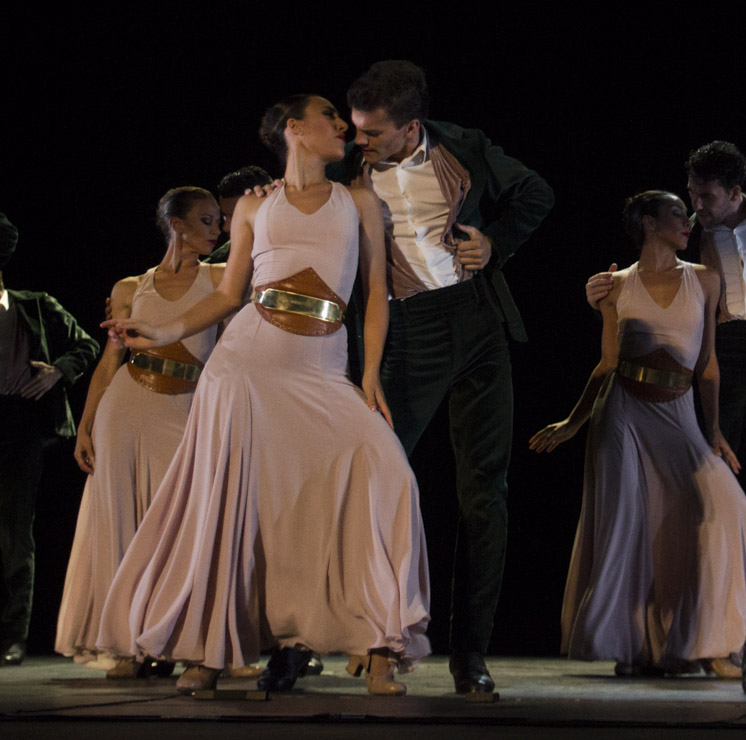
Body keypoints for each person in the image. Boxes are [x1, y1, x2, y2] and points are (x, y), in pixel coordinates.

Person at [97, 94, 430, 696]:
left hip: (322, 368)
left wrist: (371, 374)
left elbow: (376, 292)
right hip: (245, 365)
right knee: (232, 504)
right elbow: (228, 295)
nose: (341, 127)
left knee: (385, 473)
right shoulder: (256, 206)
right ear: (294, 129)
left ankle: (381, 644)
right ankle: (210, 650)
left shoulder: (357, 200)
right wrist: (164, 330)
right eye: (329, 116)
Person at [328, 60, 554, 694]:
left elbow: (536, 192)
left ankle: (470, 654)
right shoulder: (345, 171)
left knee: (485, 494)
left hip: (478, 321)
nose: (359, 141)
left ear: (412, 127)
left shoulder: (464, 144)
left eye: (372, 132)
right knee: (371, 483)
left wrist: (494, 241)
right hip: (406, 332)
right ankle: (347, 634)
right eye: (355, 129)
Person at [584, 142, 746, 692]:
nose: (695, 207)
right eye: (690, 196)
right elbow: (645, 279)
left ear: (736, 194)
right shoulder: (685, 234)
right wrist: (600, 292)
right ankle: (675, 633)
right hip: (712, 356)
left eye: (705, 197)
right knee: (691, 492)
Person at [531, 191, 746, 677]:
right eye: (678, 213)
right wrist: (573, 422)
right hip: (624, 415)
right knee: (634, 526)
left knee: (728, 508)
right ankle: (639, 647)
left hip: (679, 415)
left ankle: (711, 642)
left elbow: (708, 365)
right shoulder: (614, 285)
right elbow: (607, 363)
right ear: (649, 223)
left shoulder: (705, 279)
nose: (688, 221)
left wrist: (714, 430)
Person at [54, 187, 224, 677]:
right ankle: (128, 645)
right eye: (207, 221)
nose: (217, 230)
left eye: (218, 220)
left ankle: (182, 640)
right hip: (127, 407)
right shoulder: (131, 287)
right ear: (177, 225)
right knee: (122, 523)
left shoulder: (220, 279)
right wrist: (85, 426)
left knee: (181, 527)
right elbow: (110, 362)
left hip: (189, 407)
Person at [0, 212, 100, 666]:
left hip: (18, 423)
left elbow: (86, 344)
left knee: (15, 533)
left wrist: (58, 370)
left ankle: (11, 636)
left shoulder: (33, 304)